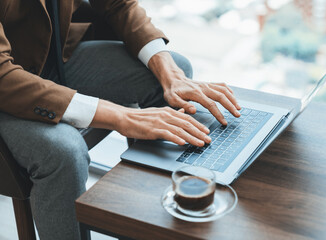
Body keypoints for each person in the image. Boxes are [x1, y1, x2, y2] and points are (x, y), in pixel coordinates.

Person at [0, 0, 241, 239]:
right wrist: (123, 117)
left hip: (51, 57)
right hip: (6, 86)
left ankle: (152, 220)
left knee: (176, 67)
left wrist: (170, 73)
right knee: (65, 152)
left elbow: (117, 3)